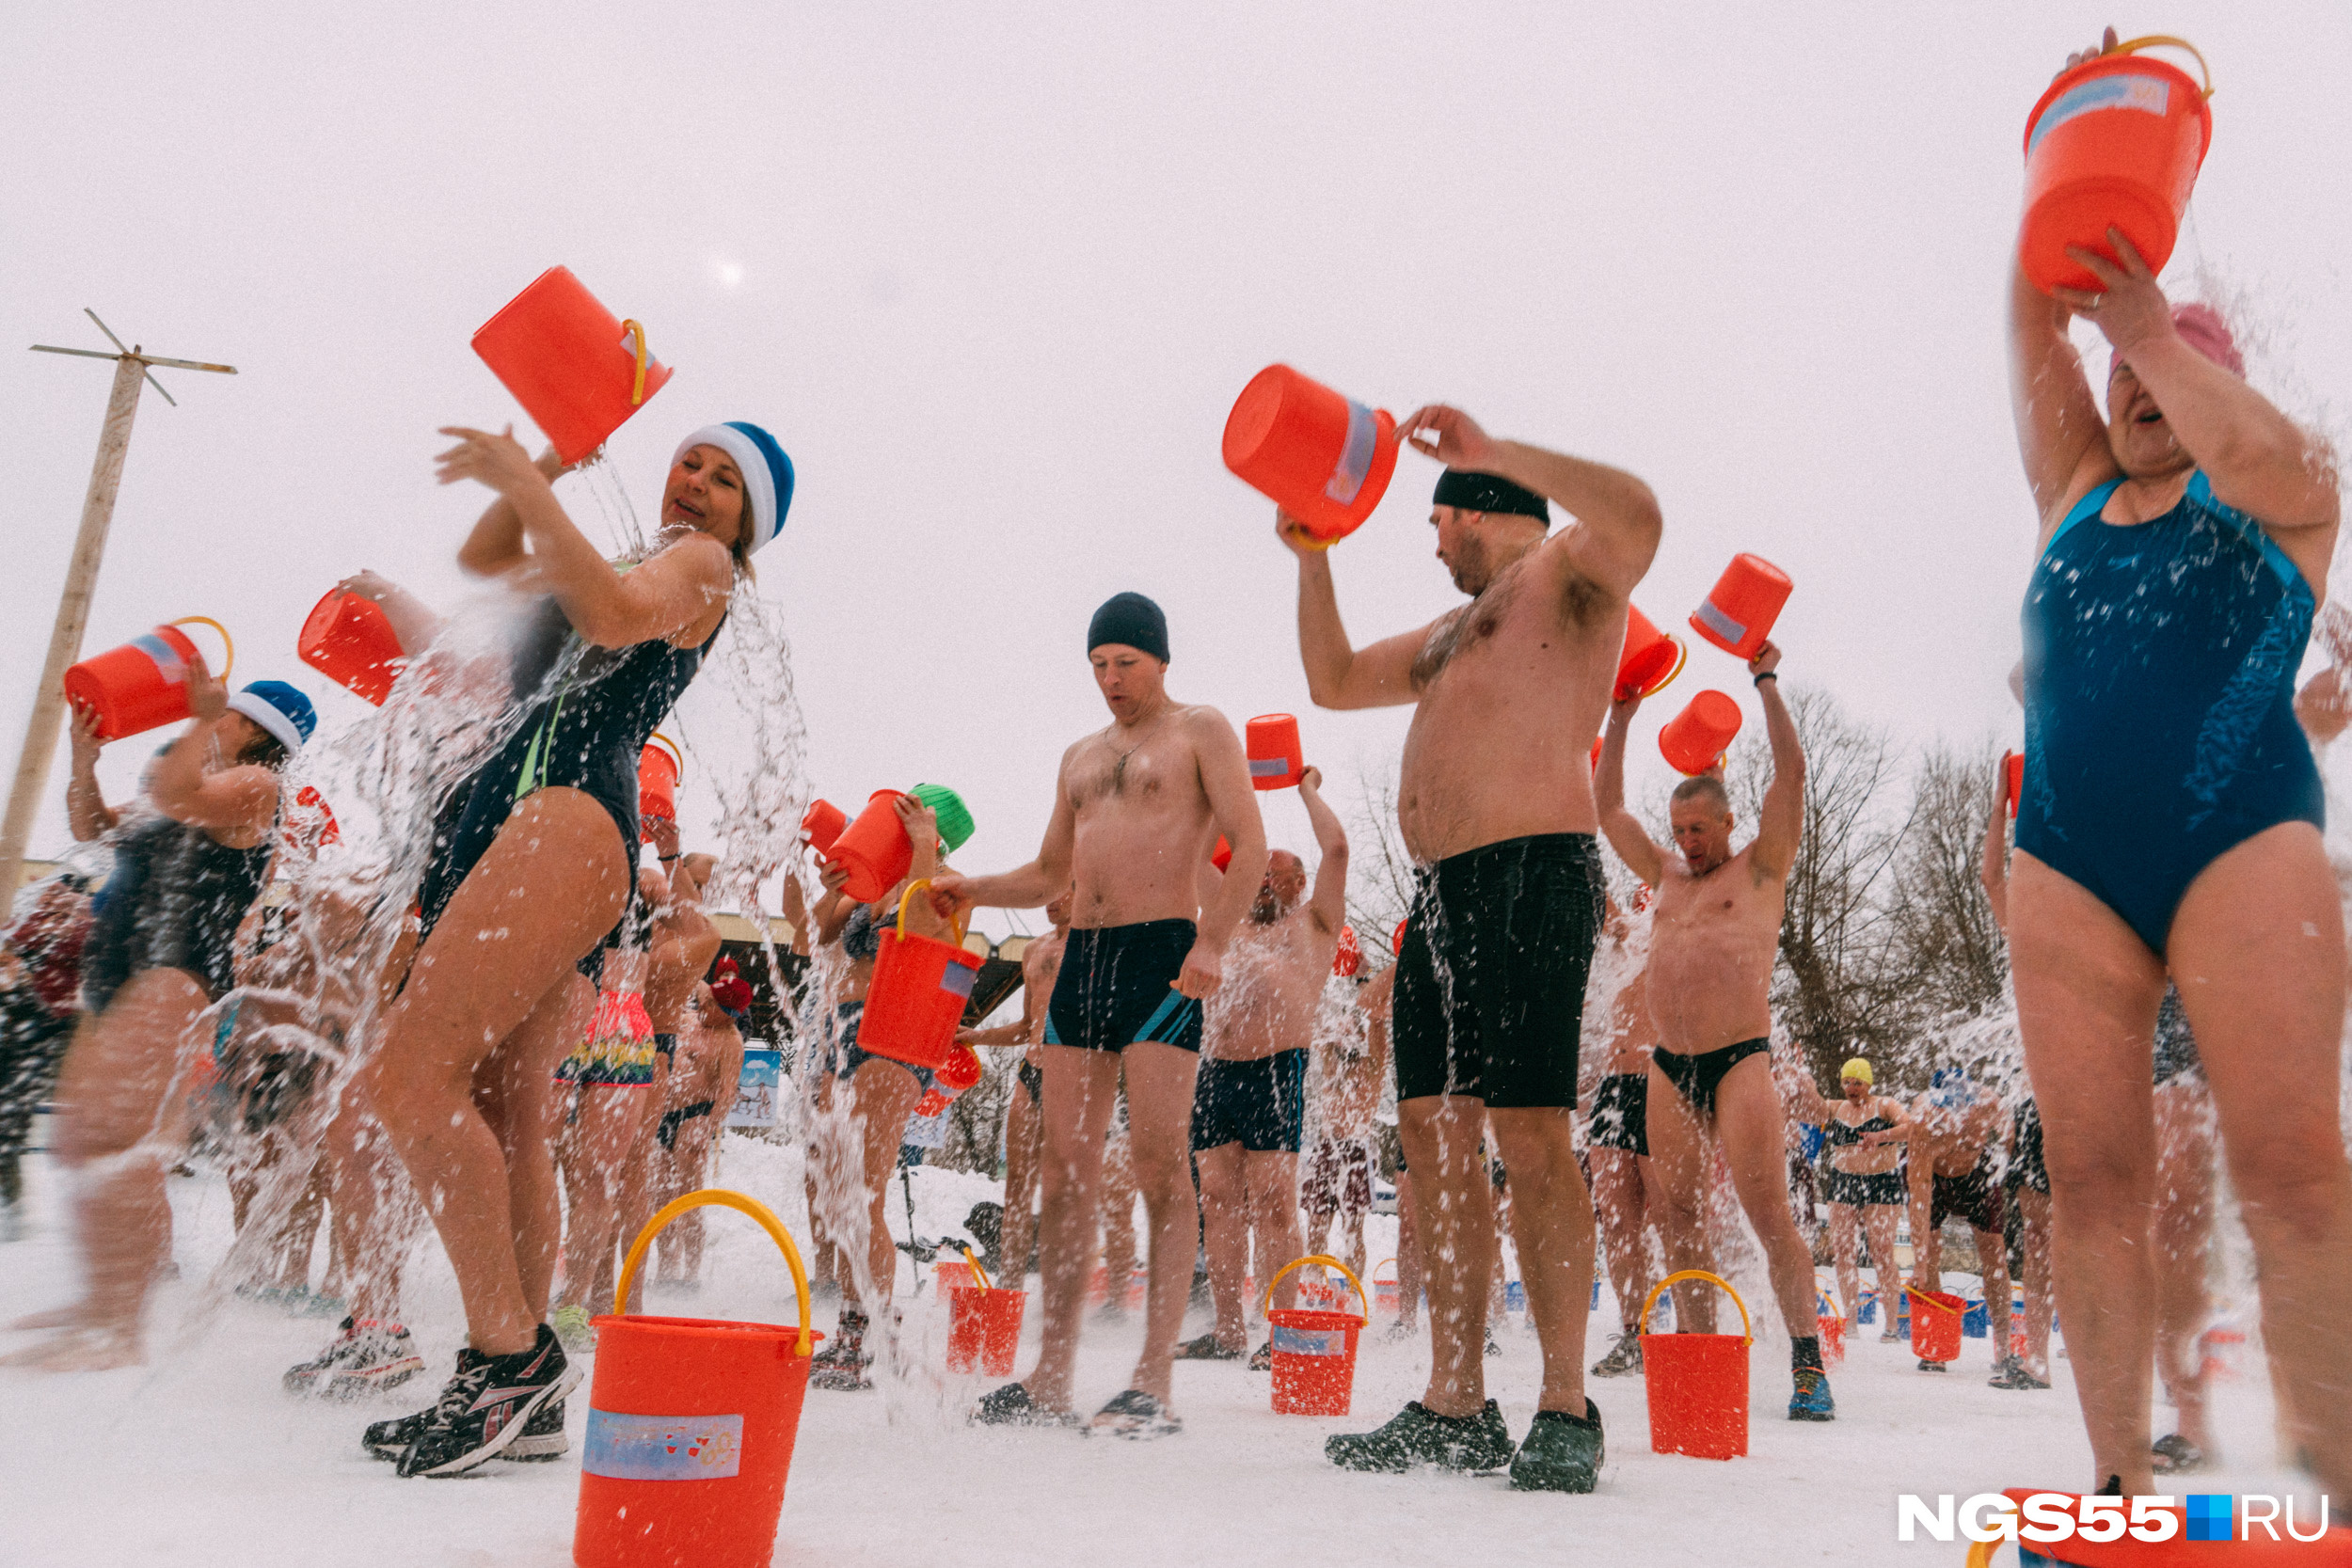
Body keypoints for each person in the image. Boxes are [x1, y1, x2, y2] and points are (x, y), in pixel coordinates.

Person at [2007, 30, 2349, 1497]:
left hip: (2242, 840)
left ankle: (2338, 1473)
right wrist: (2065, 186)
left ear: (2218, 383)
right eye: (2126, 370)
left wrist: (2152, 319)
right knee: (2091, 1178)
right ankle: (2113, 1476)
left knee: (2287, 1166)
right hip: (2069, 861)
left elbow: (2287, 463)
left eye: (2170, 367)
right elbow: (2030, 325)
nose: (2138, 388)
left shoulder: (2282, 499)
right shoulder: (2074, 488)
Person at [360, 419, 790, 1477]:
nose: (695, 481)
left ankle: (508, 1358)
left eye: (725, 479)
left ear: (747, 523)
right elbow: (486, 557)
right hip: (512, 816)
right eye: (691, 459)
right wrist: (545, 464)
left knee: (411, 1080)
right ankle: (512, 1381)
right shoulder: (627, 546)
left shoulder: (699, 566)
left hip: (568, 814)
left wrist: (526, 477)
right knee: (507, 1111)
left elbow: (612, 610)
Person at [1291, 406, 1661, 1493]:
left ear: (1487, 511)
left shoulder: (1566, 571)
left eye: (1439, 516)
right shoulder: (1454, 630)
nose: (1431, 539)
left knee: (1533, 1133)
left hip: (1533, 876)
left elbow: (1640, 511)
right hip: (1441, 896)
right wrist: (1312, 555)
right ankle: (1455, 1399)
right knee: (1436, 1140)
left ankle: (1564, 1401)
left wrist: (1495, 447)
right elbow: (1333, 676)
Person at [933, 591, 1268, 1437]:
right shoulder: (1079, 756)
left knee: (1160, 1162)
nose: (1111, 679)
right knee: (1064, 1169)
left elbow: (1252, 845)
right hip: (1084, 956)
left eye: (1125, 662)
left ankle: (1153, 1379)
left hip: (1163, 953)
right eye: (1098, 665)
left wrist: (1213, 943)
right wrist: (972, 886)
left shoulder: (1201, 730)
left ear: (1159, 660)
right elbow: (1051, 873)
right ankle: (1049, 1377)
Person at [6, 673, 316, 1369]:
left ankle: (118, 1322)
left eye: (233, 713)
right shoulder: (179, 781)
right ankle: (100, 1302)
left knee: (124, 1138)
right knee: (84, 1137)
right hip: (120, 963)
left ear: (261, 731)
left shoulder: (258, 788)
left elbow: (181, 796)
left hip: (177, 968)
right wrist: (84, 763)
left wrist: (196, 723)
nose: (219, 715)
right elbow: (92, 827)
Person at [1598, 639, 1836, 1422]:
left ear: (1728, 821)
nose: (1688, 841)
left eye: (1700, 828)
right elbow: (1608, 812)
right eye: (1681, 829)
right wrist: (1622, 713)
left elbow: (1791, 778)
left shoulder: (1760, 869)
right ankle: (1698, 1358)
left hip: (1740, 1060)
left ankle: (1807, 1360)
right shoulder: (1665, 876)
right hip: (1670, 1063)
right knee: (1676, 1212)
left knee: (1770, 1211)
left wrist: (1766, 681)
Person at [1182, 768, 1349, 1364]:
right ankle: (1228, 1330)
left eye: (1276, 873)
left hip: (1278, 1068)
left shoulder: (1314, 923)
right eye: (1257, 870)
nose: (1263, 880)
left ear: (1299, 883)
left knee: (1276, 1203)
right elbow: (1198, 855)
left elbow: (1337, 849)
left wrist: (1304, 789)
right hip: (1215, 1071)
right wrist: (1224, 798)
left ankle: (1282, 1333)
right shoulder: (1225, 919)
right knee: (1219, 1203)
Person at [804, 793, 953, 1391]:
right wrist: (833, 882)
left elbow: (919, 928)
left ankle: (871, 1329)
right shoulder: (869, 889)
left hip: (892, 1032)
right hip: (843, 1032)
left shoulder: (943, 879)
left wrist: (922, 849)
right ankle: (854, 1326)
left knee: (864, 1189)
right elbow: (812, 935)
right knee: (839, 1191)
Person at [958, 888, 1073, 1286]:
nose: (1051, 901)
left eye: (1064, 892)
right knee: (1018, 1183)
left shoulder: (1099, 943)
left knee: (1064, 1187)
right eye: (1048, 893)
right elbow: (1027, 1027)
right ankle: (1010, 1282)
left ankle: (1063, 1287)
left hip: (1077, 1075)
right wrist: (976, 1036)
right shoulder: (1034, 950)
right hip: (1034, 1068)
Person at [1980, 784, 2053, 1394]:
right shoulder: (2028, 935)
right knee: (2038, 1236)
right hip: (2039, 1100)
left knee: (2097, 1227)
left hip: (2089, 1092)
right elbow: (1989, 876)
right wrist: (2002, 804)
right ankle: (2038, 1354)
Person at [1581, 898, 1665, 1377]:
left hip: (1660, 1082)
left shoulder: (1675, 941)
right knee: (1616, 1219)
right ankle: (1636, 1331)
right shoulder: (1621, 943)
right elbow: (1607, 911)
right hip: (1614, 1089)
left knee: (1672, 1218)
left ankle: (1690, 1335)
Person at [1886, 1069, 2012, 1374]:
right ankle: (1937, 1346)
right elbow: (1919, 1198)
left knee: (1995, 1253)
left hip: (1976, 1173)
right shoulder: (1923, 1123)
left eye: (1956, 1114)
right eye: (1942, 1112)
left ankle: (2005, 1348)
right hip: (1934, 1178)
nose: (1948, 1120)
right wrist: (1918, 1260)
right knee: (1929, 1256)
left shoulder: (1987, 1104)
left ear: (1969, 1106)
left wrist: (2008, 1167)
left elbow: (2010, 1136)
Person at [1782, 1057, 1911, 1342]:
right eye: (1847, 1082)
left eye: (1858, 1082)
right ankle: (1850, 1322)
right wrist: (1797, 1075)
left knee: (1881, 1252)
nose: (1851, 1088)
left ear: (1869, 1083)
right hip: (1844, 1182)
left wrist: (1881, 1136)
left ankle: (1891, 1325)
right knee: (1843, 1252)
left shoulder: (1884, 1105)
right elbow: (1800, 1107)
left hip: (1882, 1182)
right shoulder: (1835, 1108)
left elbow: (1910, 1127)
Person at [647, 979, 747, 1289]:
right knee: (661, 1195)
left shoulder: (730, 1042)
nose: (703, 1009)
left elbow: (728, 1093)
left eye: (712, 1007)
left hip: (695, 1115)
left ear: (730, 1015)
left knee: (688, 1198)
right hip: (664, 1113)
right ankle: (666, 1269)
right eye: (705, 1002)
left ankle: (690, 1274)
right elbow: (696, 978)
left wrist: (705, 1129)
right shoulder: (695, 1014)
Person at [1305, 954, 1388, 1284]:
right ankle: (1314, 1288)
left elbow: (1378, 1019)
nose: (1343, 1029)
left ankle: (1353, 1294)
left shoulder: (1371, 1067)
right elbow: (1317, 1013)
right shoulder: (1331, 1062)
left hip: (1356, 1151)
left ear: (1358, 1033)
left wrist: (1364, 980)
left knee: (1354, 1229)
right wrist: (1323, 960)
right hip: (1327, 1147)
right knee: (1316, 1225)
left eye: (1350, 1026)